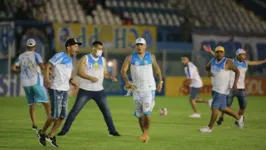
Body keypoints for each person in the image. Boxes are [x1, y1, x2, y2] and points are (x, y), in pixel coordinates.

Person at [57, 41, 120, 137]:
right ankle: (64, 131)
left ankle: (112, 131)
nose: (100, 50)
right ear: (93, 48)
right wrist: (91, 78)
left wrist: (110, 76)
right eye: (99, 48)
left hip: (99, 91)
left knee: (106, 112)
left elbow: (105, 73)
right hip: (85, 90)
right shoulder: (85, 58)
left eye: (101, 49)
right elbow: (79, 72)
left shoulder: (103, 60)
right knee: (75, 111)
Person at [203, 45, 266, 125]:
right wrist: (211, 51)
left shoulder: (246, 63)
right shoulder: (231, 61)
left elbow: (255, 63)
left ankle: (239, 119)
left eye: (244, 54)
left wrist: (264, 61)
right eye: (243, 54)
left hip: (241, 89)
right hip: (231, 88)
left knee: (243, 106)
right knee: (225, 105)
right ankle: (222, 117)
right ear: (238, 55)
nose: (244, 56)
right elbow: (220, 57)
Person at [36, 38, 80, 147]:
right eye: (75, 46)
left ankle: (51, 136)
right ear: (68, 47)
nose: (77, 48)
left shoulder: (70, 60)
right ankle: (42, 132)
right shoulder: (60, 55)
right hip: (55, 88)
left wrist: (71, 81)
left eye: (77, 46)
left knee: (62, 116)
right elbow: (47, 65)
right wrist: (46, 79)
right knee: (55, 115)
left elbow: (65, 74)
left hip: (65, 90)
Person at [121, 38, 163, 142]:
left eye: (141, 45)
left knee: (147, 113)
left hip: (149, 89)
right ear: (135, 46)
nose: (139, 46)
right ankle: (145, 135)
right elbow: (123, 71)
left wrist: (160, 81)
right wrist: (127, 81)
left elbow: (157, 69)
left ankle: (145, 134)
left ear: (145, 46)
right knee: (139, 115)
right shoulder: (130, 57)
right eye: (137, 45)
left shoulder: (151, 56)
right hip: (136, 90)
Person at [200, 46, 244, 133]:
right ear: (215, 53)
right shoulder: (213, 60)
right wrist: (209, 72)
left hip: (222, 89)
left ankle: (209, 128)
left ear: (223, 53)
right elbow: (206, 67)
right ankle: (239, 118)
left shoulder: (227, 62)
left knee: (214, 108)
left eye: (221, 52)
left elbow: (237, 71)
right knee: (223, 108)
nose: (219, 53)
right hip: (215, 88)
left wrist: (235, 83)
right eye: (217, 52)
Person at [12, 38, 50, 130]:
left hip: (25, 83)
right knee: (46, 103)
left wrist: (20, 70)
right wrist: (47, 68)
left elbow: (13, 68)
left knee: (31, 104)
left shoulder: (21, 56)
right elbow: (41, 66)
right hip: (35, 81)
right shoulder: (36, 55)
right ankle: (51, 120)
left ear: (27, 46)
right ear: (34, 46)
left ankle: (34, 124)